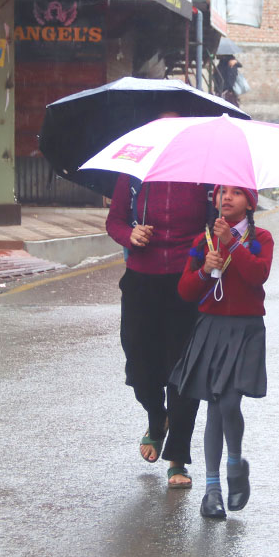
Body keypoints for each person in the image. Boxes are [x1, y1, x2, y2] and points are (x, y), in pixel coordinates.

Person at [105, 137, 207, 489]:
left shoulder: (203, 176)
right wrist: (130, 234)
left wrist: (210, 246)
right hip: (141, 283)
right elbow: (114, 221)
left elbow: (219, 223)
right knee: (139, 362)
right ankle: (155, 416)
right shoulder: (133, 176)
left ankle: (177, 457)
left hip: (187, 282)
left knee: (184, 370)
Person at [170, 185, 274, 519]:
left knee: (229, 402)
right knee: (214, 405)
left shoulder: (262, 239)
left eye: (236, 193)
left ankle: (235, 466)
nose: (226, 198)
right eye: (221, 193)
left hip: (245, 330)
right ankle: (212, 490)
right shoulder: (203, 241)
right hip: (211, 329)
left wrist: (231, 243)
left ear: (250, 202)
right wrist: (203, 270)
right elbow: (185, 291)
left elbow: (258, 275)